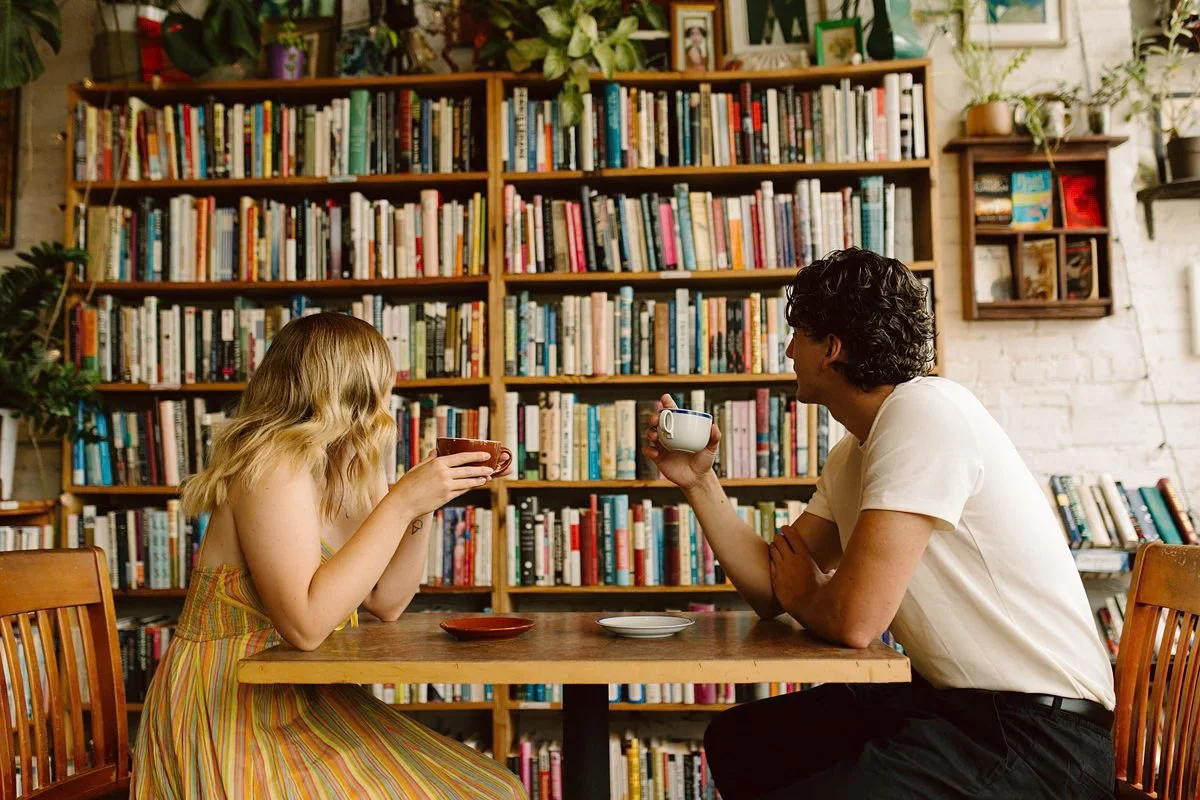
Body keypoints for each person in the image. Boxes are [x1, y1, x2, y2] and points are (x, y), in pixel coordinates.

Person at [644, 248, 1116, 799]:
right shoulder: (854, 452)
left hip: (1040, 738)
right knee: (742, 738)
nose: (789, 350)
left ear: (832, 349)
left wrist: (809, 593)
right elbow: (775, 588)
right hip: (950, 704)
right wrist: (700, 481)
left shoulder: (924, 413)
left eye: (799, 335)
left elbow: (855, 620)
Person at [132, 313, 526, 800]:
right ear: (350, 389)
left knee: (495, 788)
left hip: (304, 691)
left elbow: (387, 602)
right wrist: (401, 501)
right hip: (231, 699)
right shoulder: (270, 464)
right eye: (384, 382)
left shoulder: (353, 466)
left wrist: (423, 509)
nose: (390, 397)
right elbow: (306, 625)